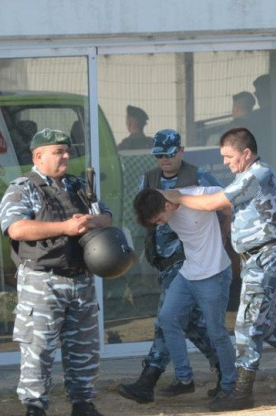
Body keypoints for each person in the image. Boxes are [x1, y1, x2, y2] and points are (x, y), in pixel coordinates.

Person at [161, 127, 276, 412]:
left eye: (228, 156)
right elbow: (230, 210)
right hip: (258, 258)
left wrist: (177, 197)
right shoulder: (246, 177)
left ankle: (241, 392)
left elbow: (213, 203)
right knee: (268, 325)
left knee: (246, 323)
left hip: (269, 254)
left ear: (246, 153)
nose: (225, 162)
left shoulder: (257, 174)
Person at [0, 128, 111, 416]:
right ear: (39, 155)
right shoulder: (23, 187)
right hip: (43, 281)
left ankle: (83, 404)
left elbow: (107, 216)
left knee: (84, 349)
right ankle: (35, 407)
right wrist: (64, 228)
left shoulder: (78, 186)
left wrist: (91, 220)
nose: (66, 156)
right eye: (58, 151)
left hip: (80, 280)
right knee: (38, 349)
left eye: (67, 151)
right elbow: (17, 228)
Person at [116, 129, 225, 404]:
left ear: (180, 151)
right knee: (189, 324)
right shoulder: (149, 179)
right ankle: (223, 368)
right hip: (163, 261)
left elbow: (222, 207)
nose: (164, 159)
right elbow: (146, 216)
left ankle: (148, 380)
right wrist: (145, 248)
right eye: (159, 155)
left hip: (188, 261)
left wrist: (221, 245)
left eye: (169, 153)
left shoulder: (197, 177)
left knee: (167, 319)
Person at [133, 187, 237, 409]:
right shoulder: (162, 201)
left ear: (168, 206)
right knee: (167, 318)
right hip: (189, 272)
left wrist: (227, 221)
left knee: (216, 331)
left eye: (159, 219)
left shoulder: (197, 194)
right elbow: (159, 194)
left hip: (214, 274)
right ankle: (184, 378)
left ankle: (230, 387)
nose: (160, 224)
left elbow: (225, 197)